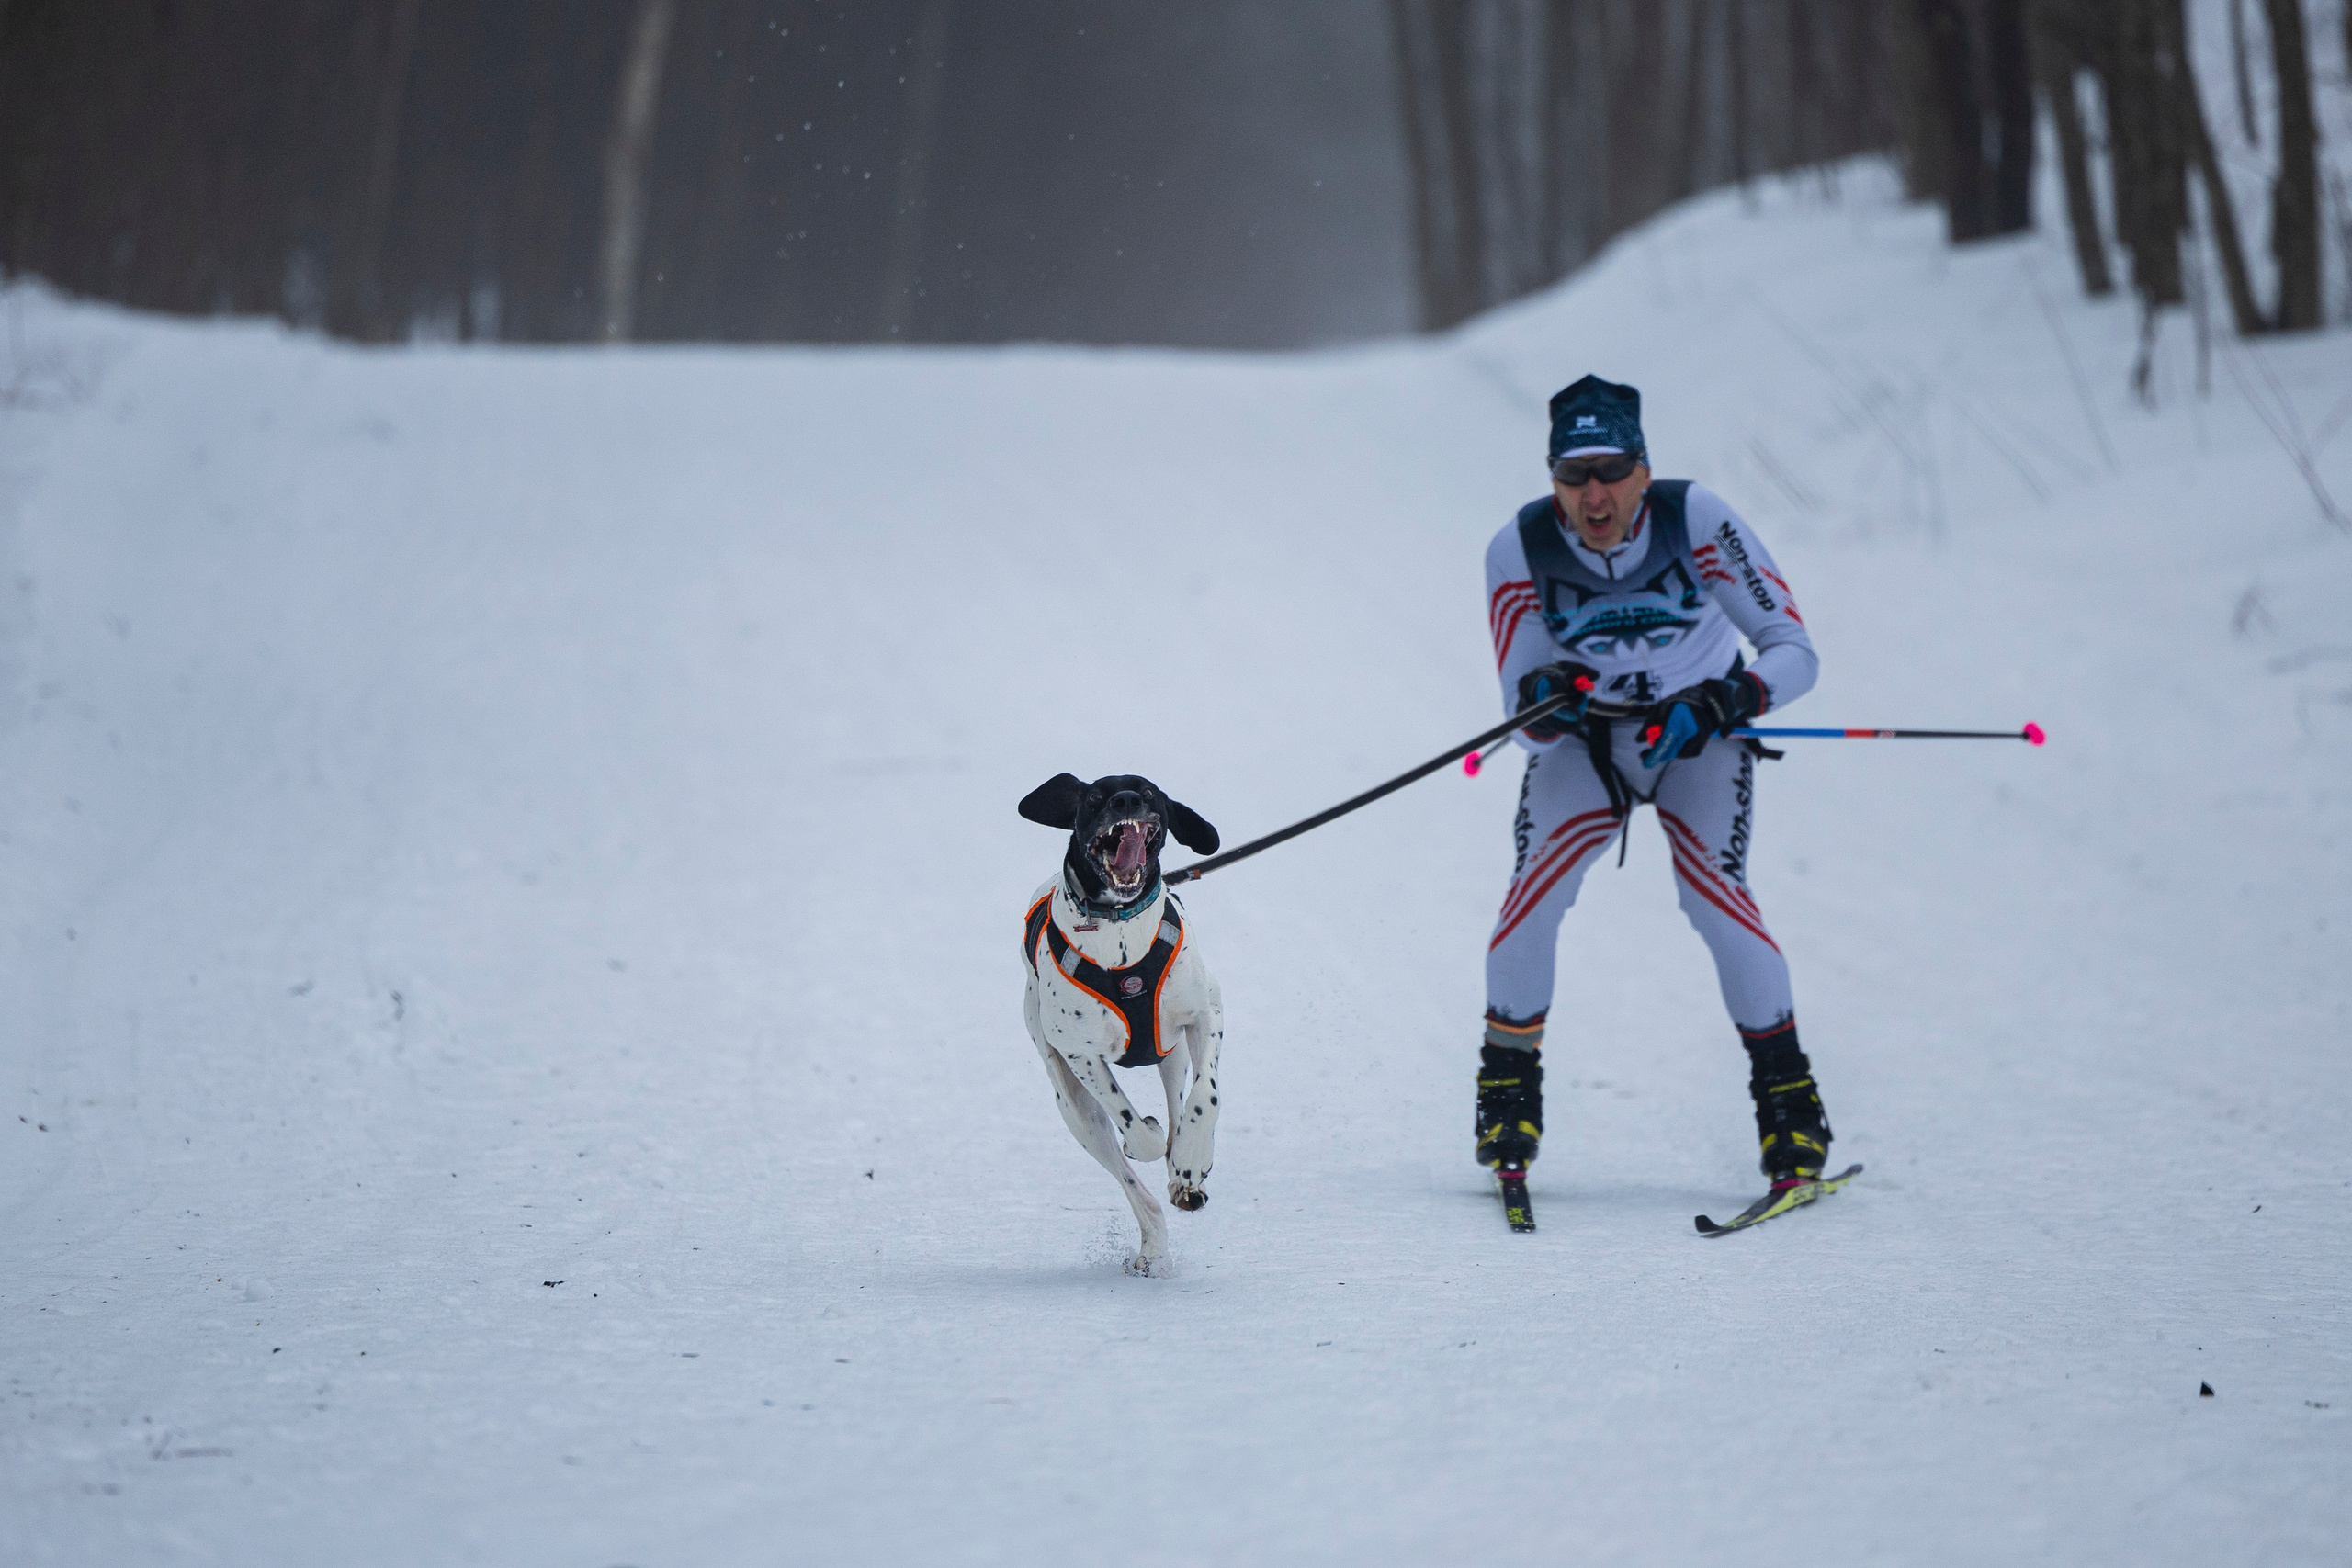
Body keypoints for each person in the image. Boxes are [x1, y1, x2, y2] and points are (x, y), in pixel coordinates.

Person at [1477, 374, 1832, 1193]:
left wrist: (1726, 698)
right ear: (1552, 479)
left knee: (1716, 896)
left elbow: (1793, 650)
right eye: (1573, 475)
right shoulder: (1519, 548)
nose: (1594, 494)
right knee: (1533, 893)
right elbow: (1519, 712)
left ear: (1643, 468)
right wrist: (1544, 702)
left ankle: (1790, 1108)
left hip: (1697, 737)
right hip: (1590, 745)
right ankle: (1506, 1098)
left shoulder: (1694, 518)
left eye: (1610, 470)